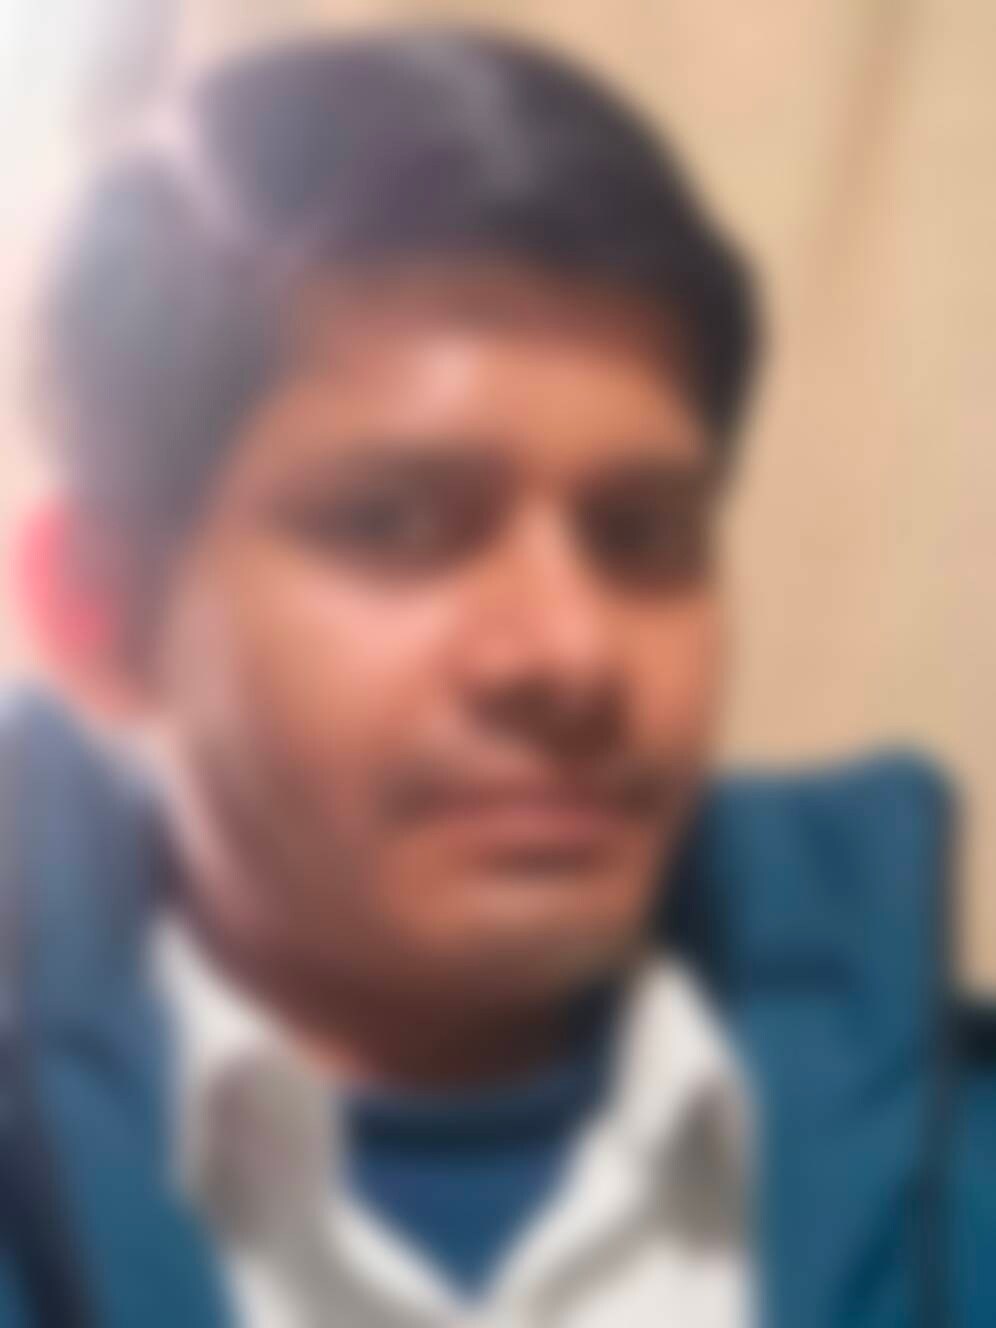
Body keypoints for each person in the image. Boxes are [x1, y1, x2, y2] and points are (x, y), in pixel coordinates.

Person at [0, 25, 974, 1328]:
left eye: (642, 534)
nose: (572, 652)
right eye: (394, 524)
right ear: (101, 613)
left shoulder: (958, 1179)